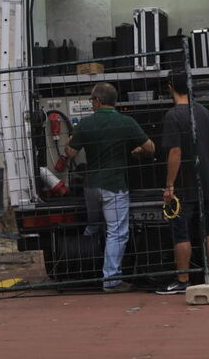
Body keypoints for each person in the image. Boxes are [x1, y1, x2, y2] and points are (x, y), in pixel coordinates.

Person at [62, 83, 154, 293]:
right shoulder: (126, 122)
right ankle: (111, 279)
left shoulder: (85, 124)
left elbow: (71, 153)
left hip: (91, 187)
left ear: (97, 101)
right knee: (117, 232)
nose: (90, 103)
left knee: (94, 225)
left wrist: (70, 141)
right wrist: (137, 150)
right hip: (115, 186)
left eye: (91, 100)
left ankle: (81, 267)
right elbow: (150, 147)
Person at [155, 71, 209, 295]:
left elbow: (175, 151)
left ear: (170, 86)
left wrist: (169, 184)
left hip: (183, 182)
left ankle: (183, 279)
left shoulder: (172, 116)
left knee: (180, 232)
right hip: (204, 178)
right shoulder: (204, 112)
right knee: (206, 230)